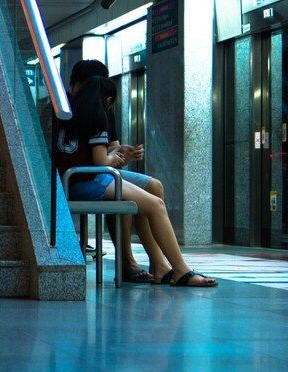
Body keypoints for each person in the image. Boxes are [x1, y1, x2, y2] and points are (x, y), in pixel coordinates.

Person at [56, 75, 216, 287]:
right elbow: (100, 160)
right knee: (156, 205)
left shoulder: (68, 116)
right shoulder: (97, 115)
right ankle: (181, 271)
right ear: (108, 99)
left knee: (149, 199)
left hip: (70, 182)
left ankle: (162, 267)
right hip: (90, 181)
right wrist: (114, 158)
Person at [65, 59, 164, 283]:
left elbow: (110, 149)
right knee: (122, 190)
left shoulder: (102, 105)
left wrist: (123, 154)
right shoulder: (65, 107)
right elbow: (100, 158)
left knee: (153, 186)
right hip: (87, 175)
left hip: (101, 170)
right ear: (79, 83)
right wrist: (112, 159)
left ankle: (158, 261)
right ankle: (127, 260)